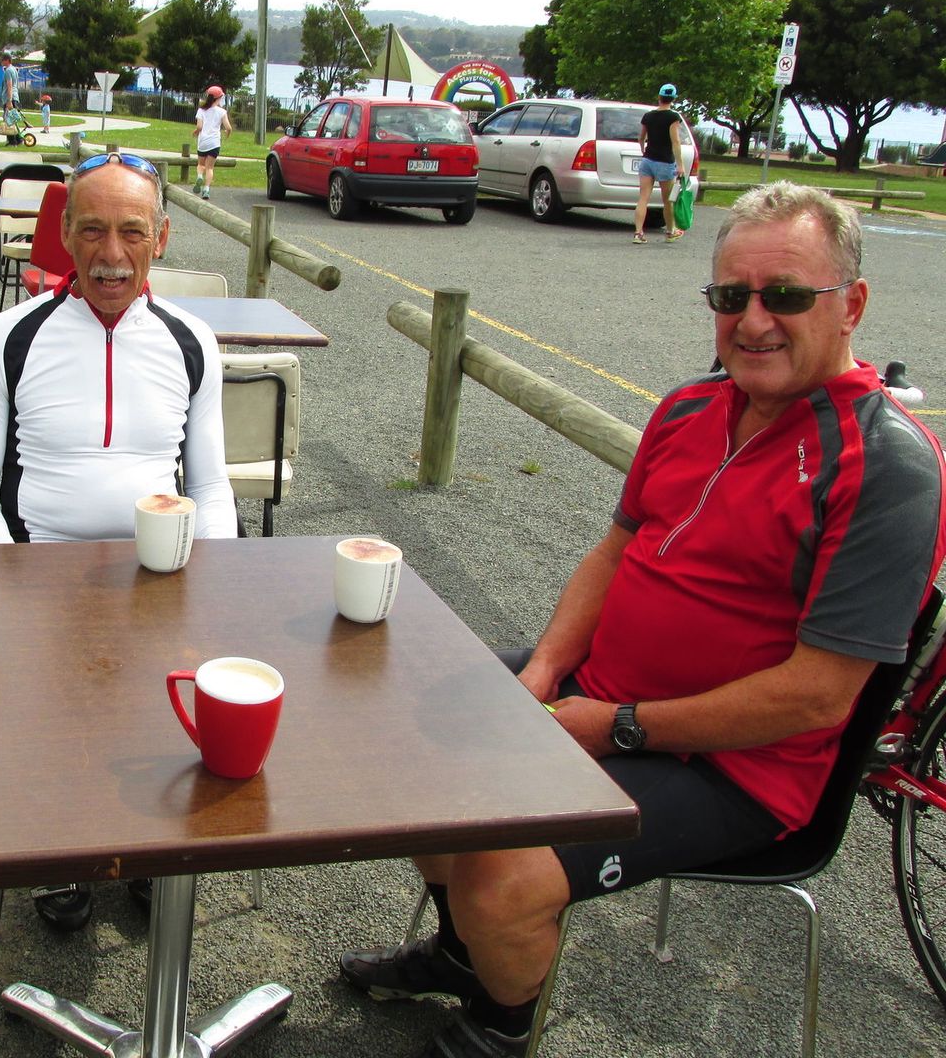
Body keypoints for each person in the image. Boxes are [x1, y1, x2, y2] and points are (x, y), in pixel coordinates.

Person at [337, 182, 946, 1058]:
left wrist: (615, 726)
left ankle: (500, 1027)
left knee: (501, 872)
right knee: (412, 745)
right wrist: (546, 670)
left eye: (784, 294)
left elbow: (817, 695)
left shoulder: (885, 465)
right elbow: (615, 551)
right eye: (731, 295)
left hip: (736, 767)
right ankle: (467, 956)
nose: (754, 321)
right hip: (599, 699)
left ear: (850, 305)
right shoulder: (691, 406)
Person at [0, 152, 238, 930]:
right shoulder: (5, 338)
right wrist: (16, 577)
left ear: (162, 237)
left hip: (159, 581)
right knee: (52, 720)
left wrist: (212, 581)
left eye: (132, 232)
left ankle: (147, 847)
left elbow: (212, 487)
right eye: (92, 230)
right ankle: (62, 846)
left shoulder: (191, 341)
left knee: (160, 722)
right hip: (40, 579)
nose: (112, 255)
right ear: (65, 234)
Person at [633, 82, 687, 244]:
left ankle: (638, 233)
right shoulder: (673, 117)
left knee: (643, 198)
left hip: (648, 160)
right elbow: (675, 142)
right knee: (668, 200)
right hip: (665, 162)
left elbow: (641, 138)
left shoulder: (648, 116)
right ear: (673, 99)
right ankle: (670, 231)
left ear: (659, 97)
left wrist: (643, 150)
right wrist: (680, 165)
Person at [192, 85, 232, 201]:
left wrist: (196, 132)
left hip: (203, 142)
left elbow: (199, 127)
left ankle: (200, 176)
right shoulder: (222, 112)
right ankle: (206, 189)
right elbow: (228, 128)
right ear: (219, 98)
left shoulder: (201, 110)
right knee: (210, 168)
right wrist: (227, 134)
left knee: (201, 165)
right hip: (214, 143)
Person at [0, 54, 20, 147]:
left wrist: (9, 100)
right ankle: (19, 139)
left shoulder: (8, 71)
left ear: (7, 60)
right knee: (13, 119)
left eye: (3, 60)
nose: (1, 62)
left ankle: (12, 142)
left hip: (10, 98)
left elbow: (9, 85)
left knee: (9, 120)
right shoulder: (14, 69)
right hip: (15, 96)